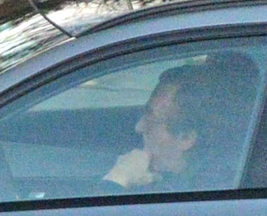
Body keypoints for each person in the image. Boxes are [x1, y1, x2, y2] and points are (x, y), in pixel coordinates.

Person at [105, 56, 258, 191]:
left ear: (185, 138)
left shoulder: (196, 195)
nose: (139, 127)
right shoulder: (220, 181)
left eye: (152, 117)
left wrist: (118, 179)